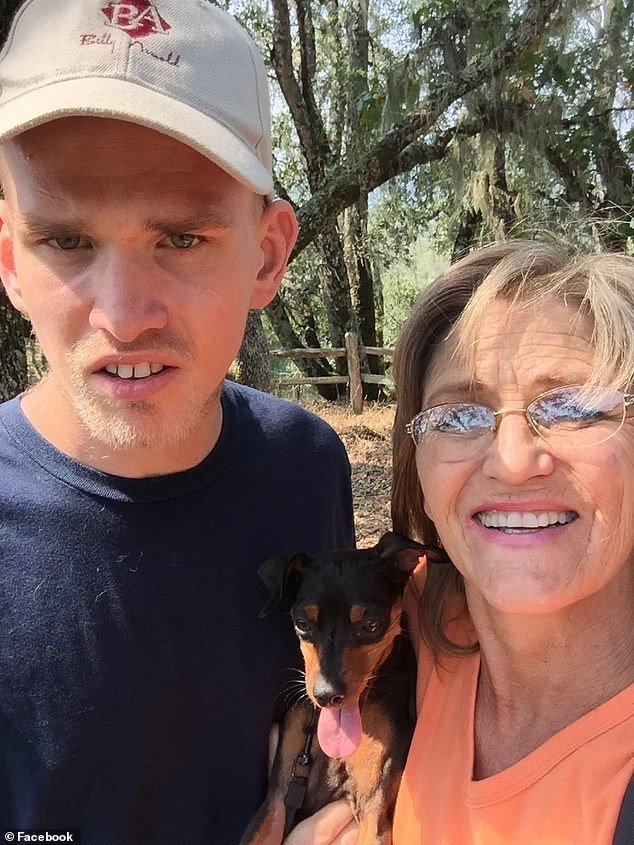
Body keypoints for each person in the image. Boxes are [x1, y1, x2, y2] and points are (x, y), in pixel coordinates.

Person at [0, 1, 355, 842]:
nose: (123, 317)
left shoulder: (305, 468)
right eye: (68, 242)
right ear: (9, 258)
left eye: (182, 239)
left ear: (267, 254)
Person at [390, 240, 634, 843]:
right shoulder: (406, 622)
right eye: (458, 416)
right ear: (417, 468)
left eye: (575, 406)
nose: (513, 460)